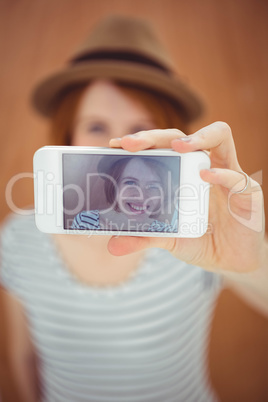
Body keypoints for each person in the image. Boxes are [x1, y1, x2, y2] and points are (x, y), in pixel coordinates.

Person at [0, 15, 267, 402]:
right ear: (68, 135)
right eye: (95, 126)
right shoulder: (19, 239)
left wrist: (251, 260)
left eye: (140, 127)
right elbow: (22, 356)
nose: (119, 145)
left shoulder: (194, 233)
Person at [71, 155, 177, 233]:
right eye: (131, 182)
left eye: (153, 186)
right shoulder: (84, 221)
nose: (142, 197)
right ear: (114, 187)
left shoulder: (165, 231)